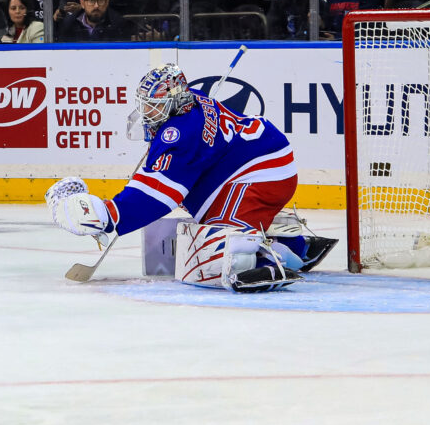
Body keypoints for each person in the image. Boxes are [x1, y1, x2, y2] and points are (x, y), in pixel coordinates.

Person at [46, 64, 334, 292]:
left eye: (153, 105)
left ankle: (271, 257)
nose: (147, 113)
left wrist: (109, 216)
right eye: (146, 105)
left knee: (209, 258)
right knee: (200, 207)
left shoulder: (179, 133)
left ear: (172, 102)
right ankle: (293, 241)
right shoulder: (190, 104)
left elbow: (156, 197)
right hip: (259, 160)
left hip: (259, 172)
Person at [56, 0, 127, 42]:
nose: (96, 6)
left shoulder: (119, 25)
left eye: (101, 0)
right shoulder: (69, 25)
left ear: (107, 2)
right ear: (82, 3)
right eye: (91, 1)